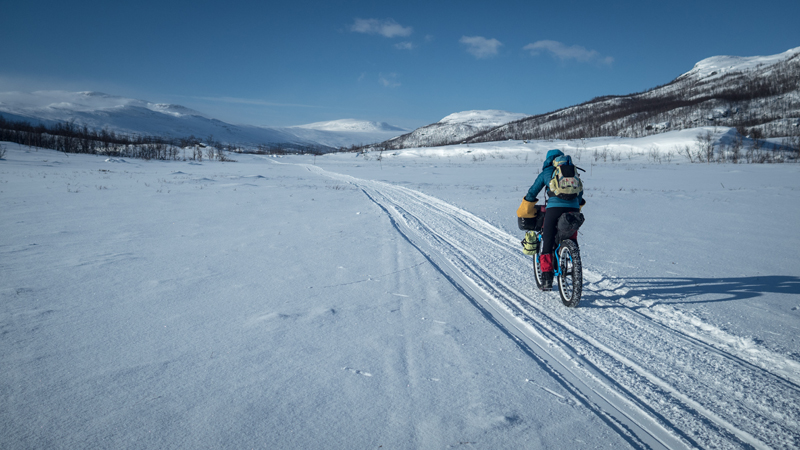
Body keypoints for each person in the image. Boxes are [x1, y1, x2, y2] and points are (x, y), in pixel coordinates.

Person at [523, 149, 584, 290]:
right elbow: (580, 192)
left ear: (548, 160)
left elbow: (533, 191)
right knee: (571, 236)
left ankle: (546, 279)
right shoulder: (572, 171)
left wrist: (528, 202)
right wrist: (576, 205)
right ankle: (574, 263)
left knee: (548, 240)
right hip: (573, 208)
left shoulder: (547, 172)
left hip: (554, 208)